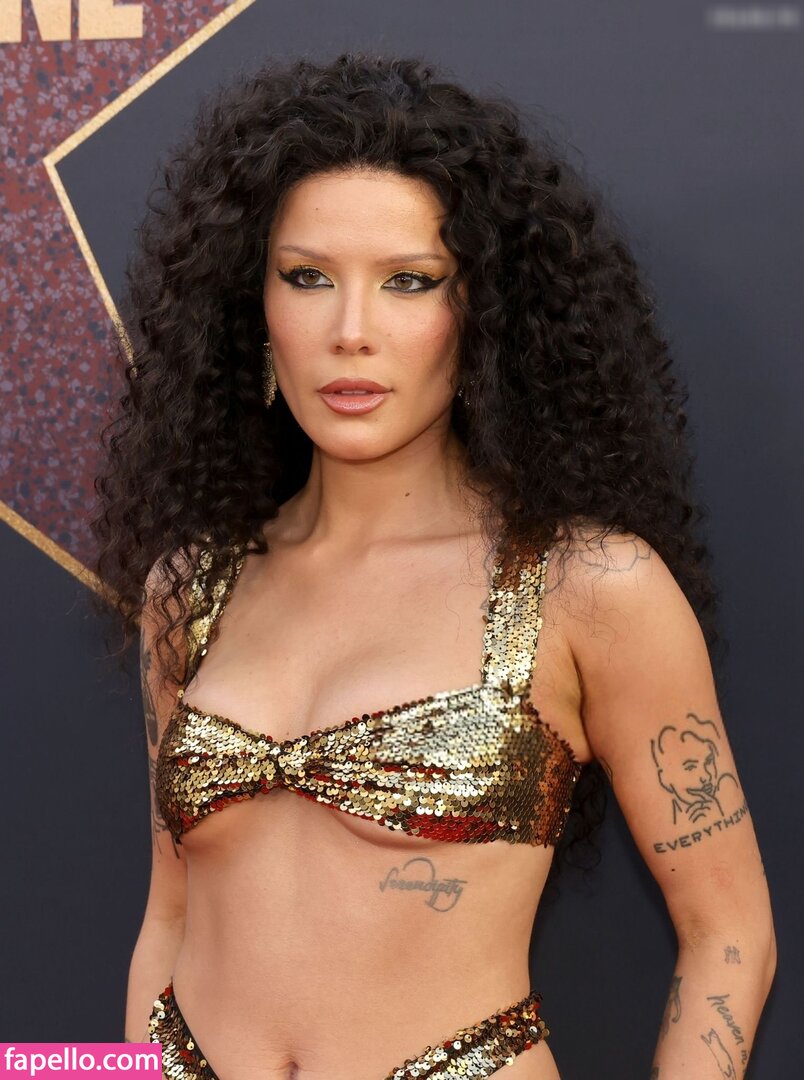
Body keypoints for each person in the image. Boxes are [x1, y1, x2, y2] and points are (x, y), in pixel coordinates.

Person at [91, 52, 776, 1080]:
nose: (350, 332)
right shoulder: (188, 589)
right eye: (307, 277)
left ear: (483, 316)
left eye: (408, 282)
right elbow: (169, 917)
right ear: (253, 308)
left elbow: (730, 933)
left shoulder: (587, 586)